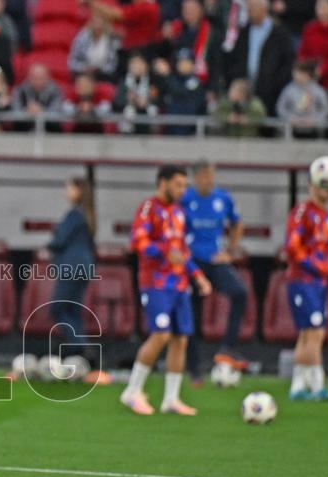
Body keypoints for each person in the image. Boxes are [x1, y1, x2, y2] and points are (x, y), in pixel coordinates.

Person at [120, 165, 212, 416]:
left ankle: (171, 398)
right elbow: (138, 243)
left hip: (179, 284)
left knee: (180, 338)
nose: (183, 190)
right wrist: (162, 250)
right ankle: (132, 390)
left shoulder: (179, 213)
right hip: (156, 283)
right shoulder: (149, 208)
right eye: (178, 184)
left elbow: (181, 252)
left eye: (184, 185)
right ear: (163, 183)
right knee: (160, 335)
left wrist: (198, 276)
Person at [181, 161, 250, 382]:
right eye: (204, 176)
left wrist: (230, 250)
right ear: (195, 177)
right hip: (192, 263)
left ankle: (228, 347)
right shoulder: (185, 199)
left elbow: (238, 223)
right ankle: (194, 368)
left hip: (215, 259)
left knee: (240, 293)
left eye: (212, 176)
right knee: (193, 315)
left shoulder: (223, 198)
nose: (209, 180)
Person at [284, 158, 328, 402]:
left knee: (309, 334)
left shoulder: (327, 218)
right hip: (302, 279)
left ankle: (298, 386)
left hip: (319, 282)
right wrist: (316, 267)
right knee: (314, 332)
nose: (324, 192)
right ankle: (316, 385)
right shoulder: (302, 213)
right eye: (320, 186)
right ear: (311, 186)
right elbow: (292, 247)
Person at [48, 177, 96, 359]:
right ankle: (81, 349)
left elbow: (58, 241)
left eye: (68, 188)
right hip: (84, 267)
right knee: (73, 311)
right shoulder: (87, 215)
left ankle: (80, 346)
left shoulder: (74, 215)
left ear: (78, 191)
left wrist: (52, 239)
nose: (65, 192)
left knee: (57, 309)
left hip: (71, 268)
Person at [224, 0, 295, 117]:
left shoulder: (280, 34)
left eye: (252, 8)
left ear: (264, 9)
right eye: (248, 8)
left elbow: (287, 63)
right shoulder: (243, 32)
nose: (249, 11)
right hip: (244, 94)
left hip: (271, 95)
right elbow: (234, 60)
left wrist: (275, 85)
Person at [298, 0, 328, 102]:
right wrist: (304, 69)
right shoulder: (309, 28)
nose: (320, 9)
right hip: (309, 79)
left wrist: (321, 70)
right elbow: (303, 51)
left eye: (324, 6)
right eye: (318, 6)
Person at [276, 60, 328, 136]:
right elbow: (280, 107)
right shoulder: (289, 89)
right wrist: (290, 118)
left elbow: (325, 109)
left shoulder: (318, 90)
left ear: (307, 74)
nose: (295, 75)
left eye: (298, 73)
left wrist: (315, 120)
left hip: (313, 130)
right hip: (292, 130)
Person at [112, 53, 163, 134]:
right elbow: (116, 103)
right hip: (128, 126)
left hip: (148, 120)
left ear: (146, 66)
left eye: (140, 63)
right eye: (134, 63)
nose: (137, 66)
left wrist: (149, 100)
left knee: (153, 110)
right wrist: (128, 99)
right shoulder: (124, 82)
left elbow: (162, 101)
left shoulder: (153, 81)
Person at [164, 49, 209, 134]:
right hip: (171, 128)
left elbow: (201, 106)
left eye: (187, 62)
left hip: (191, 129)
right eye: (181, 63)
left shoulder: (198, 83)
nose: (184, 65)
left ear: (193, 64)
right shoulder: (170, 81)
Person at [67, 12, 121, 82]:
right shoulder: (82, 38)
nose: (97, 27)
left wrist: (99, 69)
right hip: (84, 71)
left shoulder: (111, 39)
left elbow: (112, 65)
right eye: (95, 23)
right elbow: (72, 62)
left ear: (105, 25)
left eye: (100, 24)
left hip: (103, 73)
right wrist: (84, 68)